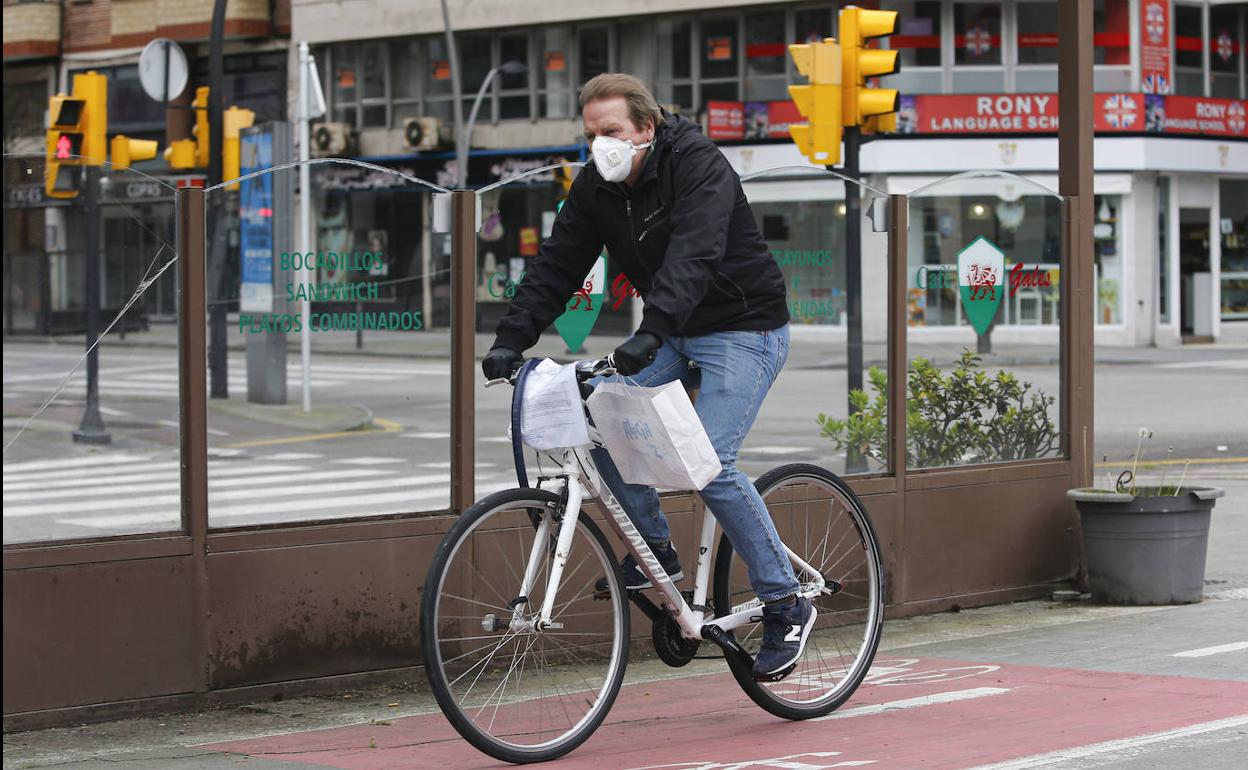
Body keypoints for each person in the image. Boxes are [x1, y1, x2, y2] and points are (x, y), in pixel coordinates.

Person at [481, 73, 811, 681]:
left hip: (745, 327)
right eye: (590, 134)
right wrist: (511, 337)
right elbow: (558, 265)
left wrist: (652, 329)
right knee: (598, 420)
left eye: (611, 132)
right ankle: (659, 551)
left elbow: (696, 251)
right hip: (673, 329)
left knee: (708, 460)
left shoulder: (697, 163)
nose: (599, 144)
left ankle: (785, 602)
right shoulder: (596, 188)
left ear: (647, 128)